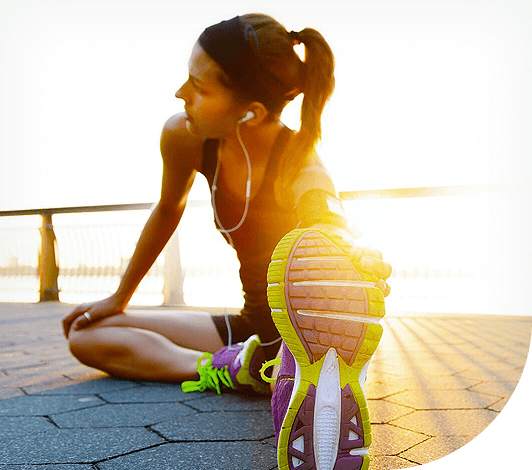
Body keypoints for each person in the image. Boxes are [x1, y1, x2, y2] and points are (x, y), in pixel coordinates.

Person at [62, 14, 391, 470]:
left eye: (199, 87)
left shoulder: (299, 157)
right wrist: (119, 299)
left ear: (250, 111)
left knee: (310, 331)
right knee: (86, 333)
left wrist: (354, 258)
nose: (181, 94)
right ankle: (242, 366)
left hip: (302, 332)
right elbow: (168, 210)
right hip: (251, 325)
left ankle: (300, 369)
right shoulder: (184, 136)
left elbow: (327, 216)